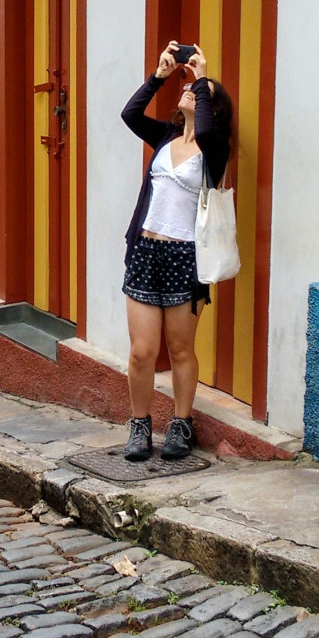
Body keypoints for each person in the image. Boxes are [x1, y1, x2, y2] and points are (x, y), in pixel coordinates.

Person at [119, 42, 234, 461]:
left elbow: (204, 131)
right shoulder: (165, 136)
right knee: (142, 350)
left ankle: (181, 424)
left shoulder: (214, 148)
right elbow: (130, 114)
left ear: (213, 108)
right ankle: (139, 425)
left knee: (181, 350)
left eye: (201, 93)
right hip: (146, 251)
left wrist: (203, 78)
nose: (189, 90)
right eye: (189, 88)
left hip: (186, 260)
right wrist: (161, 75)